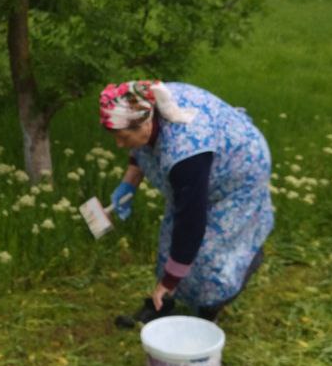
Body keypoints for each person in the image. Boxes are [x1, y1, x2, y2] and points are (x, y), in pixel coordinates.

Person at [99, 79, 273, 327]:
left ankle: (211, 304)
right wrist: (129, 183)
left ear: (146, 123)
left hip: (240, 171)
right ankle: (163, 303)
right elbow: (140, 149)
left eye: (123, 137)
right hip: (202, 163)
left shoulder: (183, 151)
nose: (118, 143)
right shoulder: (145, 103)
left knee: (212, 254)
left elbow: (190, 224)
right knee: (170, 239)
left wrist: (169, 281)